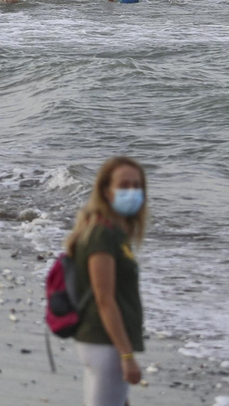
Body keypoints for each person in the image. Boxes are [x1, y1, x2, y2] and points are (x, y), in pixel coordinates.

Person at [66, 156, 150, 406]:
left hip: (106, 342)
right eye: (124, 186)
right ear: (105, 191)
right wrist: (126, 356)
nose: (132, 192)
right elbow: (105, 299)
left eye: (137, 186)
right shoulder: (102, 234)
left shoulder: (116, 233)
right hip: (105, 343)